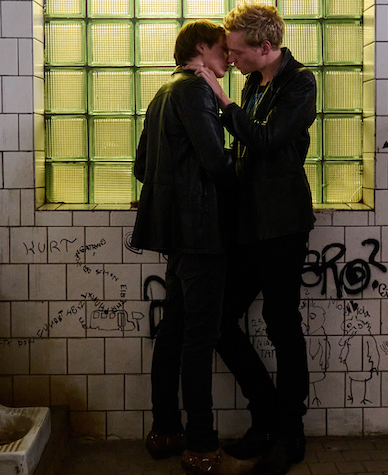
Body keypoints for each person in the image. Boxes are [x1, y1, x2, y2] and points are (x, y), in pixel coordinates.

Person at [195, 3, 317, 474]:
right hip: (249, 224)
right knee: (221, 320)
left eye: (237, 51)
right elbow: (248, 149)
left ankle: (290, 434)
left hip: (283, 224)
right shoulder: (253, 83)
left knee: (281, 324)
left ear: (266, 47)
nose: (230, 58)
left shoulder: (299, 83)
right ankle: (265, 416)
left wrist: (222, 100)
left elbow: (266, 140)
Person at [131, 20, 247, 475]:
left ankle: (165, 430)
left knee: (173, 332)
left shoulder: (163, 93)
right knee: (199, 338)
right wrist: (248, 170)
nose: (229, 60)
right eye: (222, 50)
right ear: (201, 48)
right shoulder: (197, 91)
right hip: (202, 234)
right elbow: (216, 162)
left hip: (177, 236)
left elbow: (142, 166)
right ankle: (201, 446)